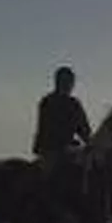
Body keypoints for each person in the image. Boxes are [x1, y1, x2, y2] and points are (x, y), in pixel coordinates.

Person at [32, 66, 92, 214]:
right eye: (65, 82)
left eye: (70, 82)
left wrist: (90, 143)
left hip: (70, 148)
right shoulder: (48, 102)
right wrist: (63, 143)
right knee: (49, 174)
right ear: (58, 82)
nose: (69, 85)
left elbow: (84, 129)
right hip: (50, 148)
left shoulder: (74, 104)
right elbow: (46, 128)